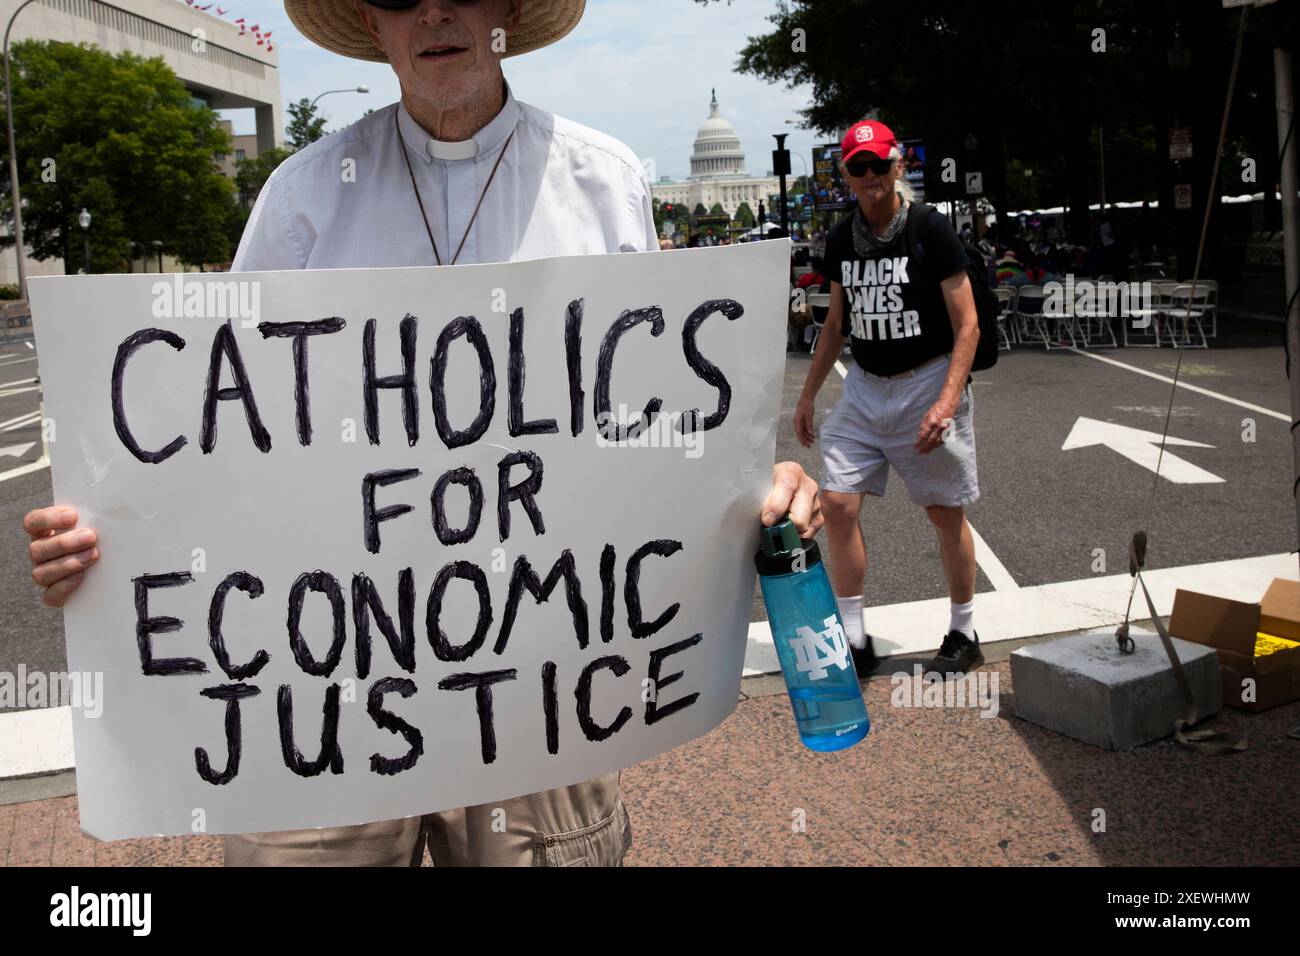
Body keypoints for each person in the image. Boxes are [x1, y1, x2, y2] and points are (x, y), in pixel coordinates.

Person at [23, 0, 823, 868]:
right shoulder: (303, 199)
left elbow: (659, 425)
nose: (435, 9)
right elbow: (218, 444)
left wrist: (754, 485)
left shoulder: (605, 183)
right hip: (332, 685)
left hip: (544, 682)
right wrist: (109, 546)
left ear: (509, 9)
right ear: (373, 22)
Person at [793, 119, 983, 679]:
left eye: (880, 164)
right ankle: (854, 640)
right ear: (845, 174)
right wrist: (807, 395)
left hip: (928, 379)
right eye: (859, 167)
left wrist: (945, 403)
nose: (871, 176)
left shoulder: (929, 227)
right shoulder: (840, 239)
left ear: (898, 165)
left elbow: (967, 325)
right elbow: (834, 326)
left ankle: (964, 629)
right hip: (865, 387)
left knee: (945, 514)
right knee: (838, 504)